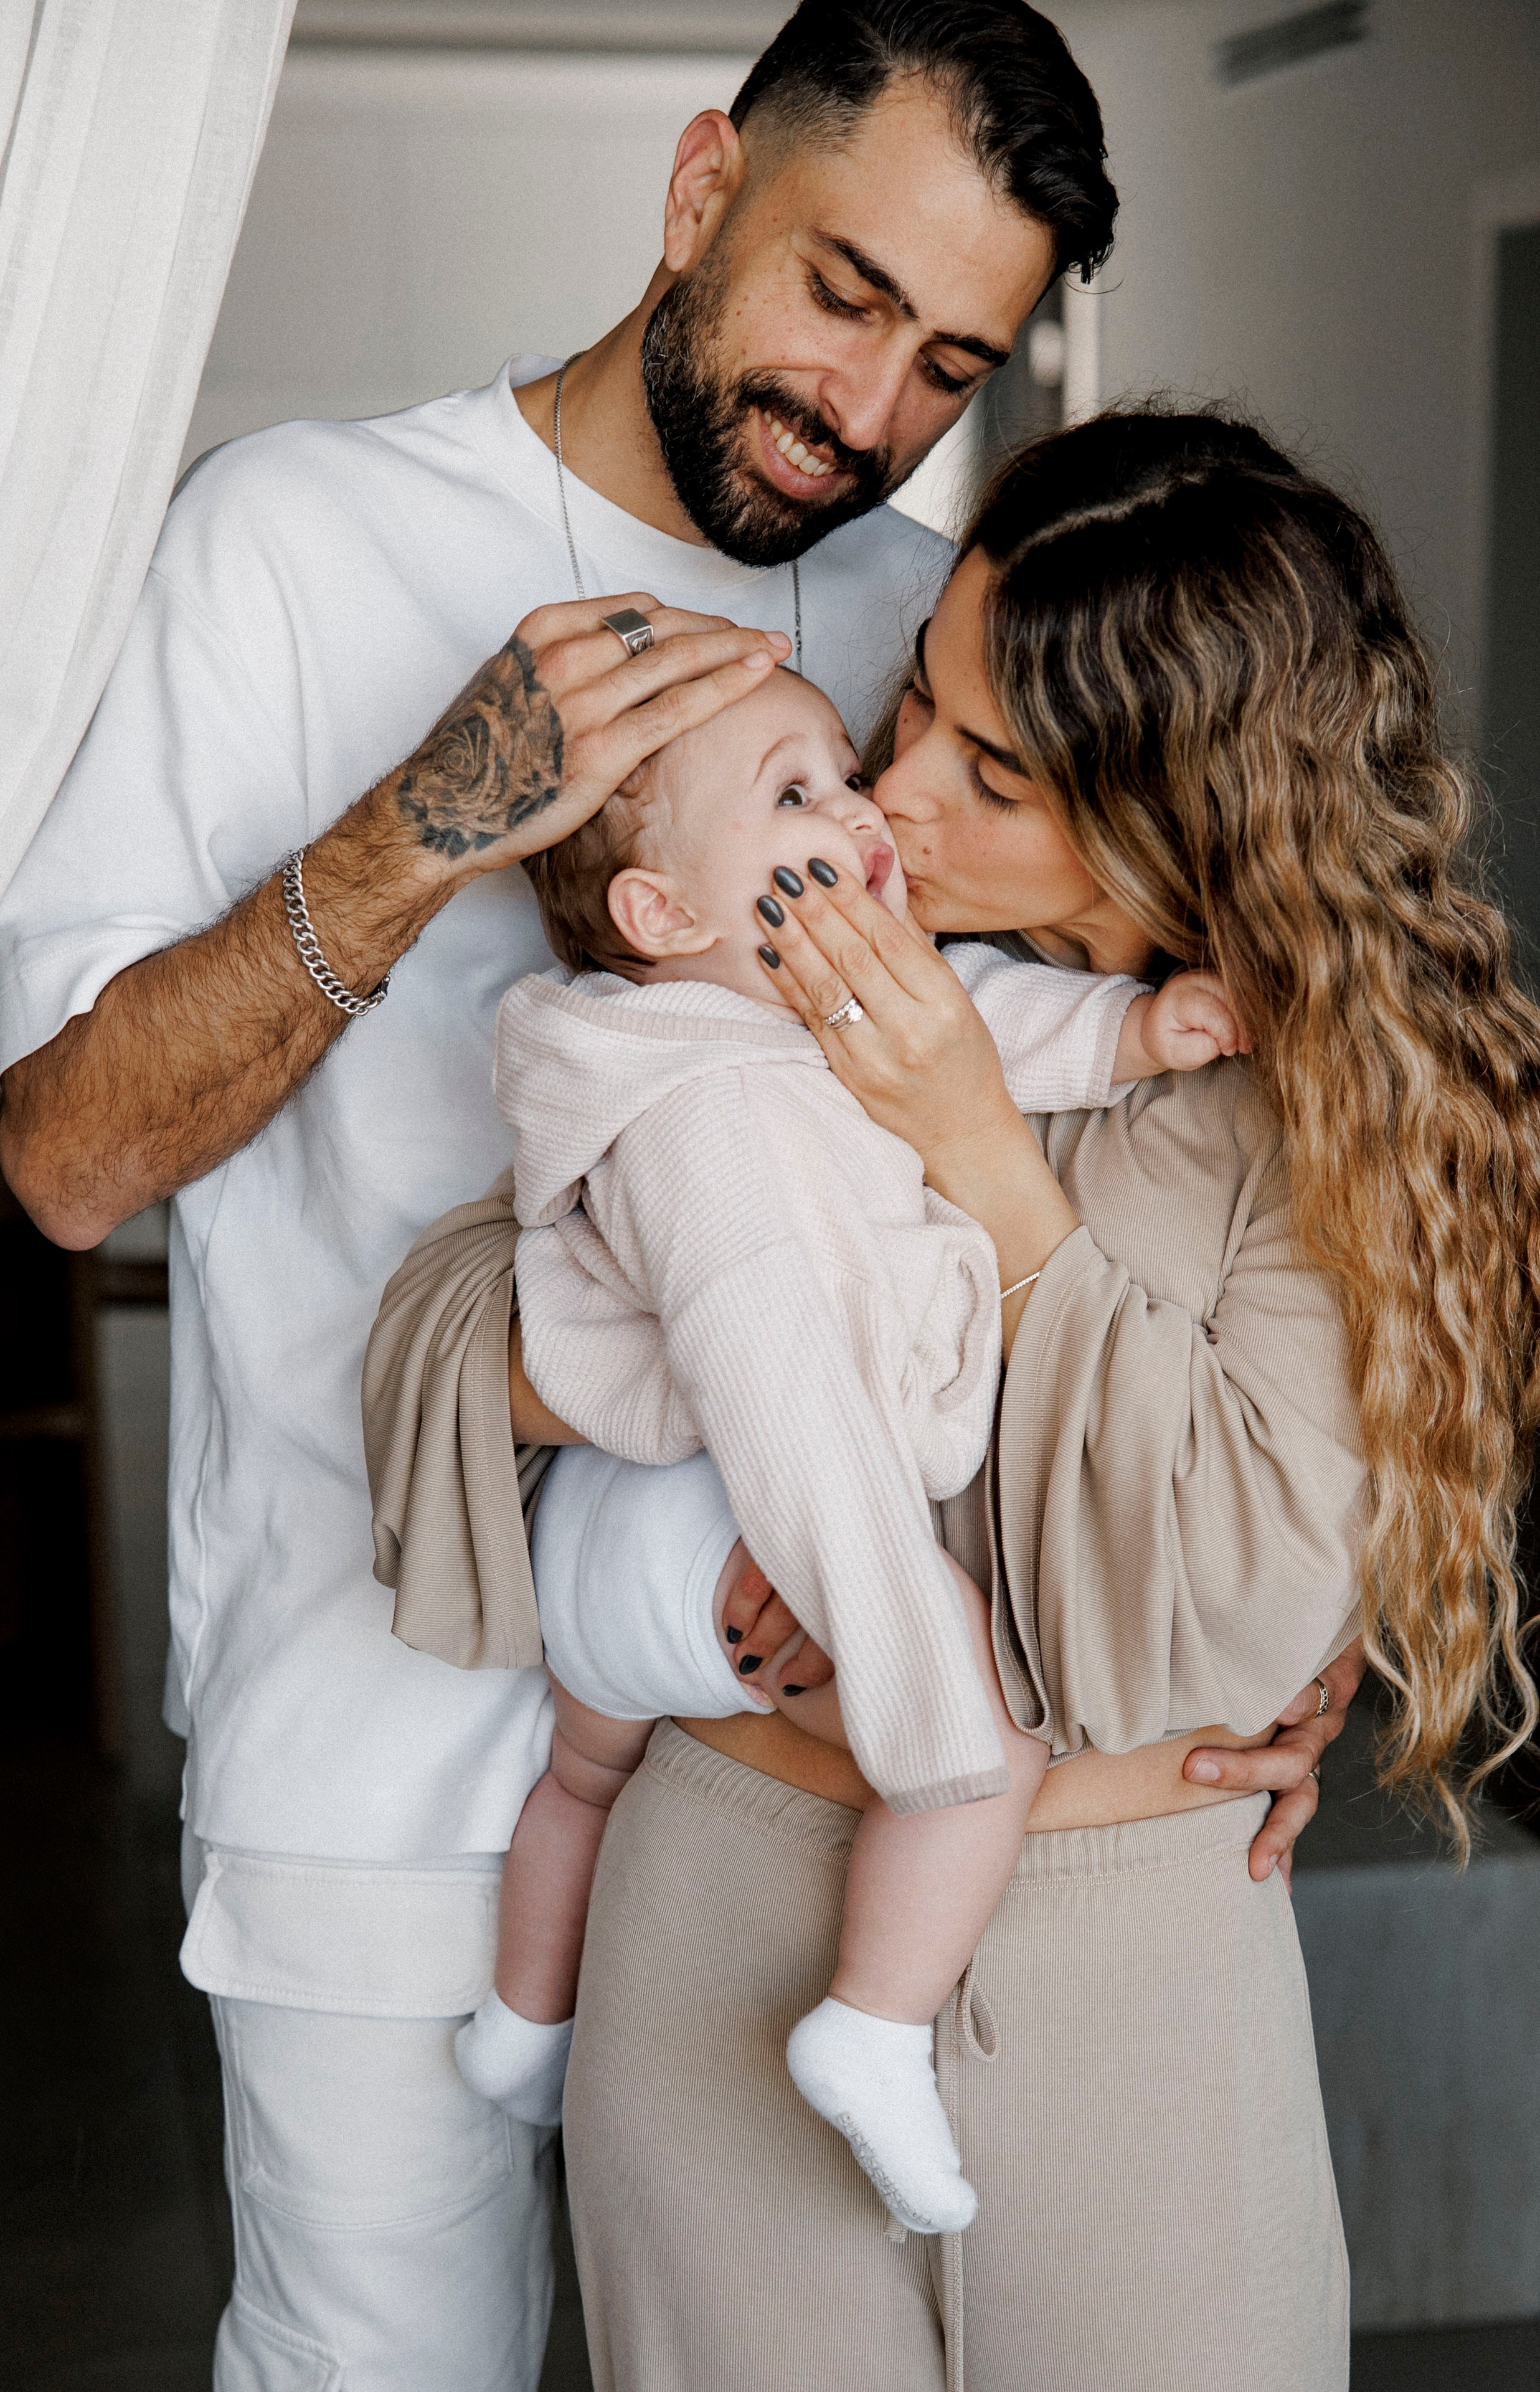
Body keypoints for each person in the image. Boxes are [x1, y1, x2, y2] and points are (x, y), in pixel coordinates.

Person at [0, 6, 1130, 2383]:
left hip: (797, 1788)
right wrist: (423, 824)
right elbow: (61, 1159)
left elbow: (1067, 1115)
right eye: (842, 293)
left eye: (952, 361)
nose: (868, 414)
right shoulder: (294, 542)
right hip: (379, 1763)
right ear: (702, 183)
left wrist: (1253, 1587)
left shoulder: (937, 646)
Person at [367, 408, 1540, 2391]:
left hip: (1134, 1973)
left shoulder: (1322, 1113)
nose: (892, 789)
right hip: (727, 1919)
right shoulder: (772, 960)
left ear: (1179, 818)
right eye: (913, 702)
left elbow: (1230, 1602)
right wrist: (710, 1487)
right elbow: (437, 1336)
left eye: (990, 771)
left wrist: (979, 1152)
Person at [425, 664, 1247, 2234]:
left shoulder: (774, 999)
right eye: (796, 797)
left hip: (619, 1548)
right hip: (718, 1533)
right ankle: (870, 2024)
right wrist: (908, 1677)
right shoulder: (708, 1119)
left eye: (835, 771)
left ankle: (522, 2028)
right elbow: (786, 1407)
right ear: (666, 916)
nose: (863, 807)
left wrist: (1141, 1029)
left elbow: (974, 1023)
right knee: (980, 1744)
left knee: (577, 1786)